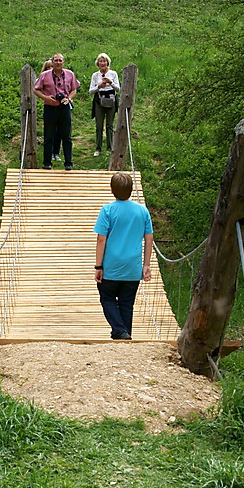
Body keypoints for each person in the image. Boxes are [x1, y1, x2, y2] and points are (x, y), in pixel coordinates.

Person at [94, 172, 154, 340]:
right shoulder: (143, 211)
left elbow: (101, 239)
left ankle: (119, 331)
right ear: (131, 189)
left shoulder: (107, 210)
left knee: (107, 298)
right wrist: (146, 265)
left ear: (112, 190)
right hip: (133, 267)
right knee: (127, 304)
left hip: (111, 266)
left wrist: (98, 266)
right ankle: (124, 337)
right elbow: (149, 239)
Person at [34, 53, 79, 170]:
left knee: (67, 136)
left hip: (64, 107)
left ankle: (68, 162)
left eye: (60, 61)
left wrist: (68, 98)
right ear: (52, 62)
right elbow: (35, 89)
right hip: (50, 107)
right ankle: (47, 162)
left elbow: (74, 89)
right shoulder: (44, 75)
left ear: (63, 62)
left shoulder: (70, 74)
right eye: (56, 60)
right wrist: (45, 98)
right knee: (48, 136)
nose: (58, 63)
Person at [89, 53, 120, 157]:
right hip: (99, 101)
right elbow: (90, 91)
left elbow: (118, 89)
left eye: (104, 61)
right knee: (99, 125)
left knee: (109, 125)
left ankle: (109, 148)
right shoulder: (95, 75)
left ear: (108, 63)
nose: (102, 63)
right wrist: (99, 86)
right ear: (97, 63)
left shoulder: (113, 74)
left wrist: (110, 82)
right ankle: (98, 148)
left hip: (111, 100)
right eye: (100, 61)